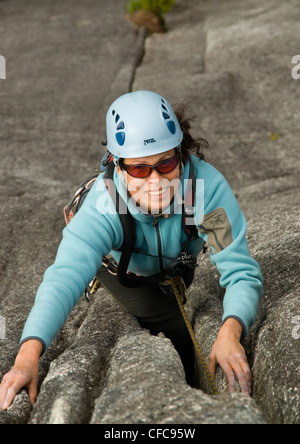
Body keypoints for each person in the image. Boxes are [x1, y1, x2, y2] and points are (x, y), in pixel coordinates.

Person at [0, 90, 263, 411]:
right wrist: (27, 356)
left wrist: (231, 331)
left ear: (181, 155)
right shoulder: (104, 205)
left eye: (166, 163)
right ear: (118, 166)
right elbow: (64, 277)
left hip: (177, 257)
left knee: (180, 285)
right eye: (139, 169)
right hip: (119, 264)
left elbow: (241, 274)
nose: (155, 180)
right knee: (174, 327)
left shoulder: (204, 190)